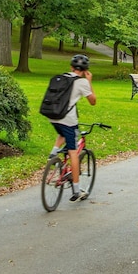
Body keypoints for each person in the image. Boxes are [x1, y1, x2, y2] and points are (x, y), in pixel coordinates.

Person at [47, 53, 97, 201]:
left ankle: (53, 153)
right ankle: (76, 190)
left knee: (62, 131)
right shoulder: (82, 82)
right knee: (73, 152)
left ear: (71, 67)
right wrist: (89, 81)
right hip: (68, 119)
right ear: (86, 69)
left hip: (53, 116)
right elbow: (93, 101)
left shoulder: (61, 77)